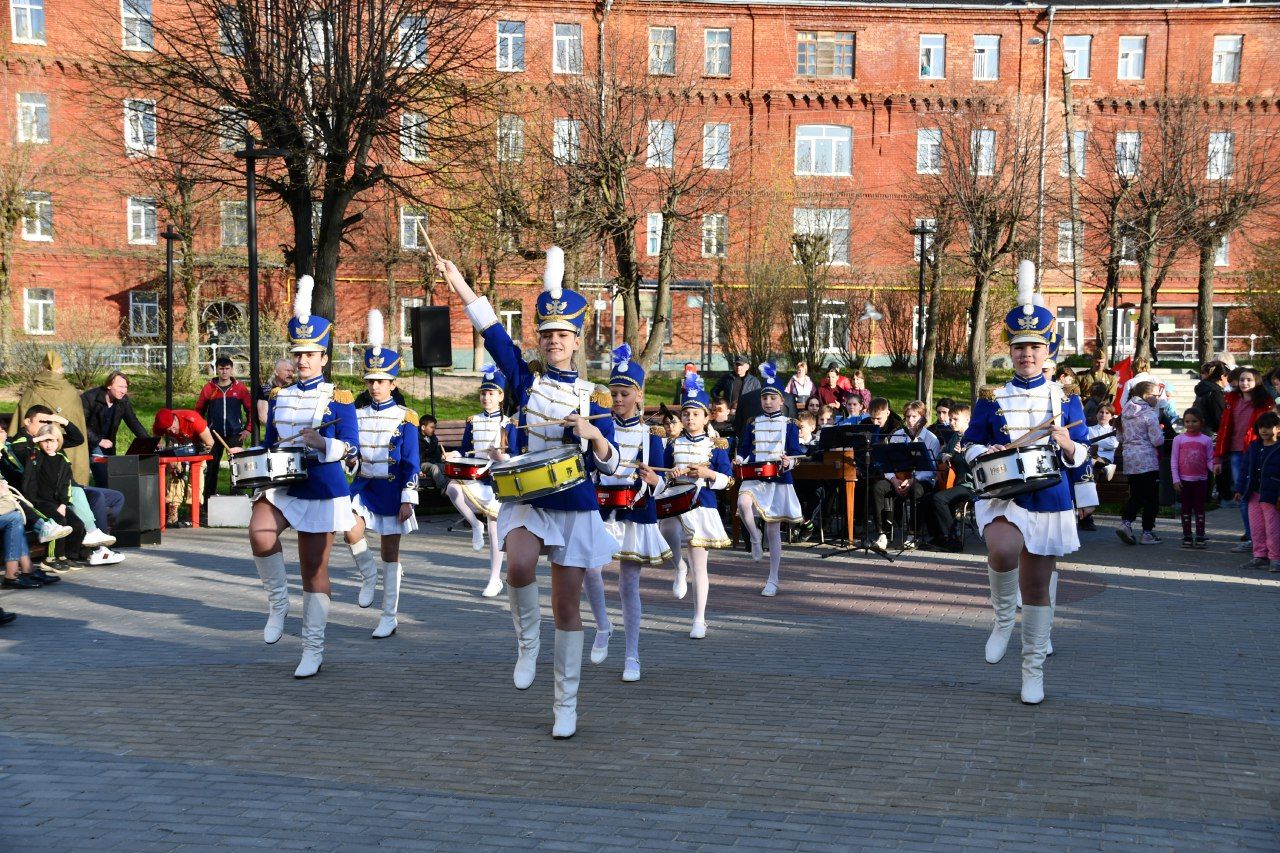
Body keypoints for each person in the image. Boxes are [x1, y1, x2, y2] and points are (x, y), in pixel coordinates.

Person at [439, 247, 620, 740]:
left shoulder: (595, 397)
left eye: (563, 335)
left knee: (567, 606)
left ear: (578, 341)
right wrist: (458, 280)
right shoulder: (526, 380)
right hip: (528, 497)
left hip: (575, 504)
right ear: (538, 340)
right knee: (518, 565)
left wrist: (594, 434)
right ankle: (526, 641)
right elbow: (492, 332)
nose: (555, 342)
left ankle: (566, 704)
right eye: (547, 335)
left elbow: (613, 462)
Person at [962, 261, 1088, 704]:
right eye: (1019, 347)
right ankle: (1000, 619)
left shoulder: (1066, 400)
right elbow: (969, 445)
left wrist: (1068, 443)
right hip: (1004, 495)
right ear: (1010, 351)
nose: (1026, 354)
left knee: (1036, 587)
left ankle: (1032, 670)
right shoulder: (992, 398)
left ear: (1047, 349)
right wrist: (986, 452)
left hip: (1051, 496)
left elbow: (1085, 454)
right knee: (1001, 548)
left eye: (1034, 347)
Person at [237, 276, 360, 679]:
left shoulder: (340, 398)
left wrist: (323, 443)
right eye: (298, 353)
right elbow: (272, 442)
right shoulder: (279, 396)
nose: (304, 360)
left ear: (324, 357)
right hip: (283, 483)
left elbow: (353, 449)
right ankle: (277, 603)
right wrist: (253, 458)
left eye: (312, 353)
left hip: (322, 487)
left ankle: (312, 648)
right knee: (260, 533)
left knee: (314, 570)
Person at [594, 344, 672, 682]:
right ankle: (602, 624)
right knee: (587, 567)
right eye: (613, 393)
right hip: (601, 508)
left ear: (638, 396)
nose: (618, 399)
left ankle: (632, 655)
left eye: (624, 393)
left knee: (629, 583)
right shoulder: (600, 426)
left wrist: (656, 480)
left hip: (636, 510)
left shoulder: (650, 433)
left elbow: (665, 479)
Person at [344, 310, 420, 639]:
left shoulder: (407, 417)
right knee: (349, 529)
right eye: (371, 381)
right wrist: (347, 459)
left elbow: (412, 462)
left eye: (381, 381)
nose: (375, 387)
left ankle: (388, 615)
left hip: (392, 492)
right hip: (363, 488)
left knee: (391, 552)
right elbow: (350, 454)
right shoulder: (355, 414)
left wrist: (408, 498)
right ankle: (367, 574)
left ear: (392, 383)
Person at [663, 372, 732, 638]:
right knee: (665, 528)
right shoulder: (673, 443)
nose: (689, 418)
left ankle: (699, 619)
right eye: (686, 413)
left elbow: (727, 480)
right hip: (675, 503)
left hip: (702, 505)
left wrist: (708, 474)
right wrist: (670, 475)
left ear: (707, 418)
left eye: (695, 414)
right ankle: (678, 566)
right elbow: (662, 474)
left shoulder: (716, 446)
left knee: (700, 564)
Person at [442, 366, 515, 598]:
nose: (486, 397)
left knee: (495, 529)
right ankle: (474, 524)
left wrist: (501, 457)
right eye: (483, 393)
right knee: (452, 488)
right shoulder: (472, 421)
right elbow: (465, 450)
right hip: (474, 475)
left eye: (492, 393)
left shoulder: (508, 423)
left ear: (501, 396)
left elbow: (513, 453)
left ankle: (494, 579)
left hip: (496, 478)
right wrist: (454, 454)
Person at [735, 363, 803, 596]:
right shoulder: (753, 423)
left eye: (773, 398)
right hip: (754, 475)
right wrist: (739, 458)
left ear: (781, 401)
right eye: (765, 398)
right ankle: (755, 537)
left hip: (778, 479)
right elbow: (744, 448)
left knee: (774, 530)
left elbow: (796, 452)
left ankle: (773, 579)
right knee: (743, 504)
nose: (768, 402)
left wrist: (789, 461)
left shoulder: (790, 425)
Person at [1214, 366, 1272, 550]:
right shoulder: (1231, 400)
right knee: (1242, 495)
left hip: (1257, 452)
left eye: (1249, 380)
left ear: (1257, 382)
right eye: (1242, 380)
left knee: (1258, 496)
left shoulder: (1265, 403)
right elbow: (1224, 429)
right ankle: (1251, 537)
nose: (1245, 383)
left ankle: (1261, 539)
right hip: (1236, 453)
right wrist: (1217, 458)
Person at [12, 351, 91, 486]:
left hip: (37, 453)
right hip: (65, 448)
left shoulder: (31, 393)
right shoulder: (72, 393)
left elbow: (19, 428)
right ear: (61, 369)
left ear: (42, 368)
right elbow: (78, 432)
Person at [869, 400, 939, 550]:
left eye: (915, 416)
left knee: (916, 491)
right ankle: (883, 534)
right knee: (879, 488)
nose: (911, 420)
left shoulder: (931, 439)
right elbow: (888, 463)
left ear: (923, 417)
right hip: (899, 478)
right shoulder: (898, 435)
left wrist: (912, 480)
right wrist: (893, 480)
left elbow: (931, 471)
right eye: (908, 417)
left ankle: (912, 534)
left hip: (920, 480)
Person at [21, 425, 83, 572]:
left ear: (59, 442)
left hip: (56, 503)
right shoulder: (34, 455)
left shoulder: (62, 460)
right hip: (38, 502)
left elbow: (65, 485)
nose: (49, 445)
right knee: (58, 523)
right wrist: (38, 439)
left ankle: (66, 556)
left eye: (53, 441)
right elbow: (20, 447)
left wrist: (63, 504)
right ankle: (50, 559)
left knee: (77, 524)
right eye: (45, 441)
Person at [197, 357, 255, 502]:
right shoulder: (208, 388)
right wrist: (203, 432)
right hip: (213, 435)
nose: (224, 372)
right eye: (221, 369)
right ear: (217, 369)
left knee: (236, 467)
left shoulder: (240, 388)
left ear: (231, 369)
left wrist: (247, 429)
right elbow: (199, 411)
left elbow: (250, 410)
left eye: (227, 368)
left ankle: (237, 498)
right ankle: (208, 502)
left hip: (235, 433)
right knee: (211, 468)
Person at [1117, 381, 1166, 546]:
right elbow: (1157, 440)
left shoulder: (1125, 411)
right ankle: (1147, 533)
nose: (1158, 398)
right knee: (1151, 498)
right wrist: (1162, 432)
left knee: (1136, 495)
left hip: (1130, 460)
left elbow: (1120, 438)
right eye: (1156, 395)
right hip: (1147, 460)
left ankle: (1126, 523)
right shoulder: (1149, 414)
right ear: (1147, 396)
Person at [81, 372, 149, 487]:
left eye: (126, 387)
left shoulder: (123, 401)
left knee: (112, 480)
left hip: (108, 445)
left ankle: (108, 501)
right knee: (104, 479)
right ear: (109, 385)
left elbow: (133, 422)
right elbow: (80, 424)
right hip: (90, 442)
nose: (123, 391)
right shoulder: (89, 398)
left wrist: (148, 441)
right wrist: (98, 441)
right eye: (120, 387)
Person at [151, 408, 215, 528]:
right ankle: (173, 509)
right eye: (168, 430)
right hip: (177, 447)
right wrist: (168, 459)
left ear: (175, 419)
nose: (171, 431)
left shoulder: (193, 419)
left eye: (172, 428)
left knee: (197, 474)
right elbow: (156, 443)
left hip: (198, 445)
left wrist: (199, 452)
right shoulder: (160, 425)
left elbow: (210, 442)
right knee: (175, 474)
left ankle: (194, 509)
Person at [926, 403, 973, 552]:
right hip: (954, 482)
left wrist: (965, 453)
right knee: (927, 498)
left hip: (969, 485)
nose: (951, 423)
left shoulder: (973, 438)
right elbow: (940, 454)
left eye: (955, 420)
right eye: (951, 419)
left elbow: (977, 463)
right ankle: (939, 536)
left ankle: (953, 539)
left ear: (967, 420)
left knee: (939, 499)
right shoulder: (954, 437)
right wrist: (946, 455)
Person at [1236, 411, 1280, 571]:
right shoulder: (1254, 447)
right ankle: (1259, 555)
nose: (1264, 431)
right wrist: (1240, 488)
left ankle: (1275, 558)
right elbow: (1244, 469)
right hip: (1253, 493)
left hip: (1272, 495)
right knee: (1256, 527)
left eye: (1268, 427)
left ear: (1278, 429)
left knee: (1273, 527)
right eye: (1261, 427)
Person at [1172, 408, 1213, 550]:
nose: (1190, 424)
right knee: (1185, 509)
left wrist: (1215, 468)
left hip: (1201, 480)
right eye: (1187, 421)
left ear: (1201, 422)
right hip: (1183, 481)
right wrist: (1175, 479)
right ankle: (1187, 535)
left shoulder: (1206, 440)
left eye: (1194, 421)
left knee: (1200, 508)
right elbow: (1174, 461)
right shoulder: (1179, 439)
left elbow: (1209, 459)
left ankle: (1200, 535)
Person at [1077, 405, 1118, 532]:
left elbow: (1113, 444)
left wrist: (1094, 442)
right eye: (1101, 412)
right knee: (1089, 475)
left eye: (1107, 413)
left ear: (1111, 416)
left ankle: (1086, 518)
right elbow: (1084, 443)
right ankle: (1105, 468)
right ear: (1096, 414)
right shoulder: (1089, 429)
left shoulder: (1113, 429)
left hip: (1104, 458)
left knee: (1090, 475)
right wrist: (1100, 443)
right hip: (1090, 458)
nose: (1103, 415)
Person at [257, 358, 296, 428]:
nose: (291, 374)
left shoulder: (296, 388)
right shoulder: (266, 389)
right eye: (287, 370)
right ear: (276, 372)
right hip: (276, 432)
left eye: (292, 371)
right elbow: (263, 417)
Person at [417, 414, 448, 492]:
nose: (434, 430)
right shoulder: (415, 438)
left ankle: (451, 485)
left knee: (447, 467)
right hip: (420, 464)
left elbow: (436, 454)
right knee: (434, 467)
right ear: (423, 427)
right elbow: (414, 456)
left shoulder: (433, 438)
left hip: (431, 463)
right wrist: (417, 470)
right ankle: (444, 487)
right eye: (431, 427)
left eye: (435, 427)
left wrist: (442, 462)